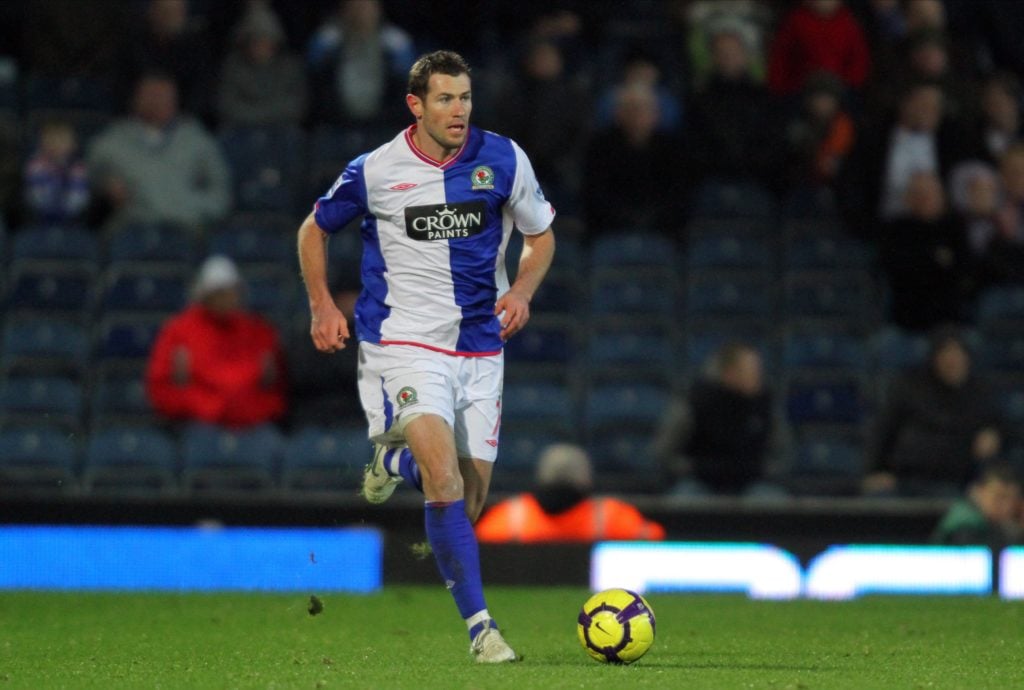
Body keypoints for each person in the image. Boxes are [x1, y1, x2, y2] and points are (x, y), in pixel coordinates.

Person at [296, 50, 556, 663]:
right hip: (404, 342)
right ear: (415, 105)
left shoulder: (503, 158)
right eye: (444, 99)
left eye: (464, 98)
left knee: (465, 500)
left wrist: (519, 292)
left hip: (481, 345)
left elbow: (540, 234)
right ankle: (482, 630)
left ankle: (394, 466)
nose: (458, 110)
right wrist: (322, 306)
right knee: (442, 480)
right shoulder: (375, 170)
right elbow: (314, 229)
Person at [146, 255, 286, 429]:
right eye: (219, 293)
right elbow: (161, 389)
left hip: (253, 425)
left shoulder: (259, 332)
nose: (227, 299)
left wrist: (255, 411)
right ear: (205, 296)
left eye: (231, 292)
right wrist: (200, 407)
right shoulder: (178, 332)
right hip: (195, 424)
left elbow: (277, 388)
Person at [864, 326, 1003, 498]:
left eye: (958, 355)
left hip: (955, 483)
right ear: (935, 358)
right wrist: (874, 471)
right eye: (947, 355)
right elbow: (883, 430)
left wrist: (993, 434)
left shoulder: (979, 393)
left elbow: (1001, 427)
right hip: (905, 479)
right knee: (878, 496)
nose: (953, 361)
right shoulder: (910, 387)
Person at [87, 72, 231, 233]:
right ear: (136, 98)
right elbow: (90, 175)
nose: (157, 102)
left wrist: (186, 205)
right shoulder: (112, 140)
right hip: (130, 230)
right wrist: (105, 184)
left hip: (186, 230)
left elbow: (220, 195)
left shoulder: (196, 139)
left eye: (163, 96)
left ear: (175, 100)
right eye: (151, 95)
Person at [652, 342, 787, 497]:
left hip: (751, 484)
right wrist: (693, 468)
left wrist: (760, 469)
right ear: (730, 373)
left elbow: (782, 453)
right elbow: (664, 453)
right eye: (751, 371)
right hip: (700, 484)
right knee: (683, 500)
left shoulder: (764, 405)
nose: (757, 376)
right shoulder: (695, 402)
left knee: (774, 501)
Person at [475, 443, 665, 543]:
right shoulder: (611, 516)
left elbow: (482, 549)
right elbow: (654, 539)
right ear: (586, 479)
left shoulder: (509, 516)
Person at [877, 170, 974, 331]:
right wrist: (934, 259)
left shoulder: (955, 227)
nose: (924, 199)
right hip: (906, 319)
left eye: (929, 193)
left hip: (949, 319)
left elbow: (963, 270)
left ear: (941, 195)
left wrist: (920, 259)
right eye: (918, 194)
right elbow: (895, 268)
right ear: (907, 198)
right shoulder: (897, 229)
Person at [284, 272, 362, 430]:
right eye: (344, 298)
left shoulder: (370, 335)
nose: (350, 303)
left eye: (354, 297)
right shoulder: (312, 332)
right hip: (314, 414)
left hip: (357, 415)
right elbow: (301, 376)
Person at [216, 2, 308, 127]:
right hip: (241, 128)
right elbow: (226, 105)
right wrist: (265, 114)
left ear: (275, 43)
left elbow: (297, 105)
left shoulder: (289, 66)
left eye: (265, 40)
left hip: (281, 128)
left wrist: (258, 113)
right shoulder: (233, 66)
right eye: (255, 41)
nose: (260, 47)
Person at [931, 463, 1021, 548]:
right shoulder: (965, 526)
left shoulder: (1000, 525)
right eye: (999, 497)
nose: (1006, 506)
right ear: (978, 492)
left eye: (1011, 499)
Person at [23, 119, 90, 226]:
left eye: (62, 141)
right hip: (39, 218)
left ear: (73, 145)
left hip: (72, 219)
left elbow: (80, 198)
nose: (56, 146)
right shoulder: (36, 166)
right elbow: (35, 198)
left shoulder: (77, 168)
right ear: (42, 144)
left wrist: (67, 210)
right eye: (51, 141)